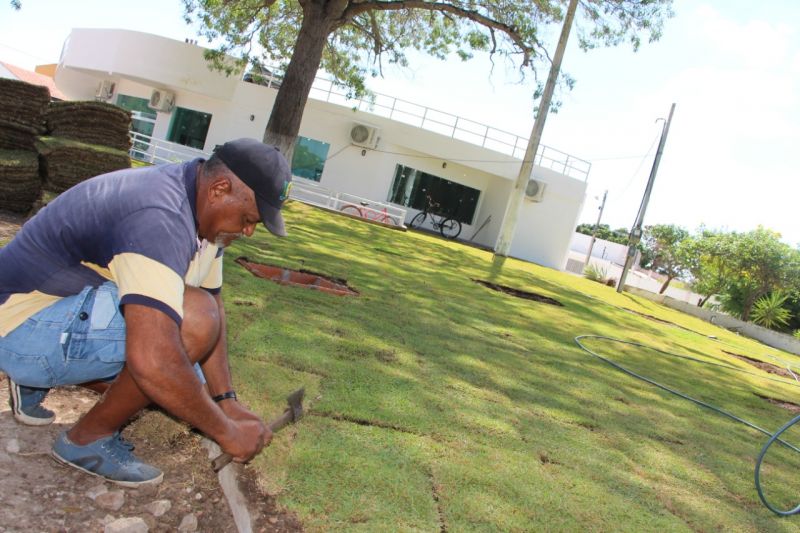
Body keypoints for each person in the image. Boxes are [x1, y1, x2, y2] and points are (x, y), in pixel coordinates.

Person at [0, 138, 293, 487]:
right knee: (186, 332)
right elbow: (155, 357)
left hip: (54, 309)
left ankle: (37, 379)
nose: (247, 231)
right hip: (21, 329)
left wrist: (225, 401)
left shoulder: (202, 213)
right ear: (219, 188)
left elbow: (214, 301)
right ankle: (88, 439)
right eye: (248, 219)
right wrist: (226, 431)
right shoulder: (160, 217)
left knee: (188, 361)